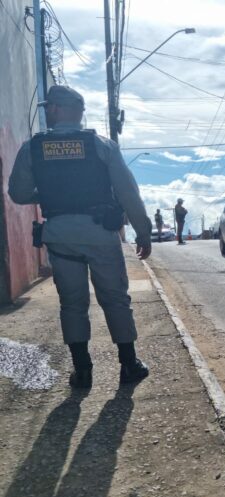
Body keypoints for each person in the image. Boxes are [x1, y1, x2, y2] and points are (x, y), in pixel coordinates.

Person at [8, 85, 153, 388]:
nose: (47, 112)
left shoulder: (33, 147)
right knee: (115, 298)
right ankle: (129, 365)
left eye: (49, 107)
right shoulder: (102, 145)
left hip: (60, 236)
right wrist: (143, 231)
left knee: (72, 303)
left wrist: (47, 194)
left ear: (57, 109)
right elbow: (128, 193)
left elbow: (18, 193)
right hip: (100, 233)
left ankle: (83, 371)